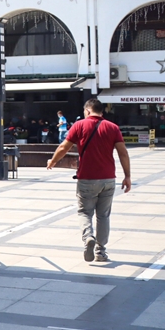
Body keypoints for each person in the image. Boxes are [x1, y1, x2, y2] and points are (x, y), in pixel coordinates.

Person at [46, 99, 131, 264]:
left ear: (87, 110)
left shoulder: (79, 125)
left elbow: (64, 147)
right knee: (103, 215)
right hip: (108, 178)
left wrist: (53, 161)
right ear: (101, 112)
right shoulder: (112, 127)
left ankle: (88, 238)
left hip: (86, 178)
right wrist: (127, 176)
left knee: (85, 212)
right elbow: (123, 153)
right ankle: (101, 251)